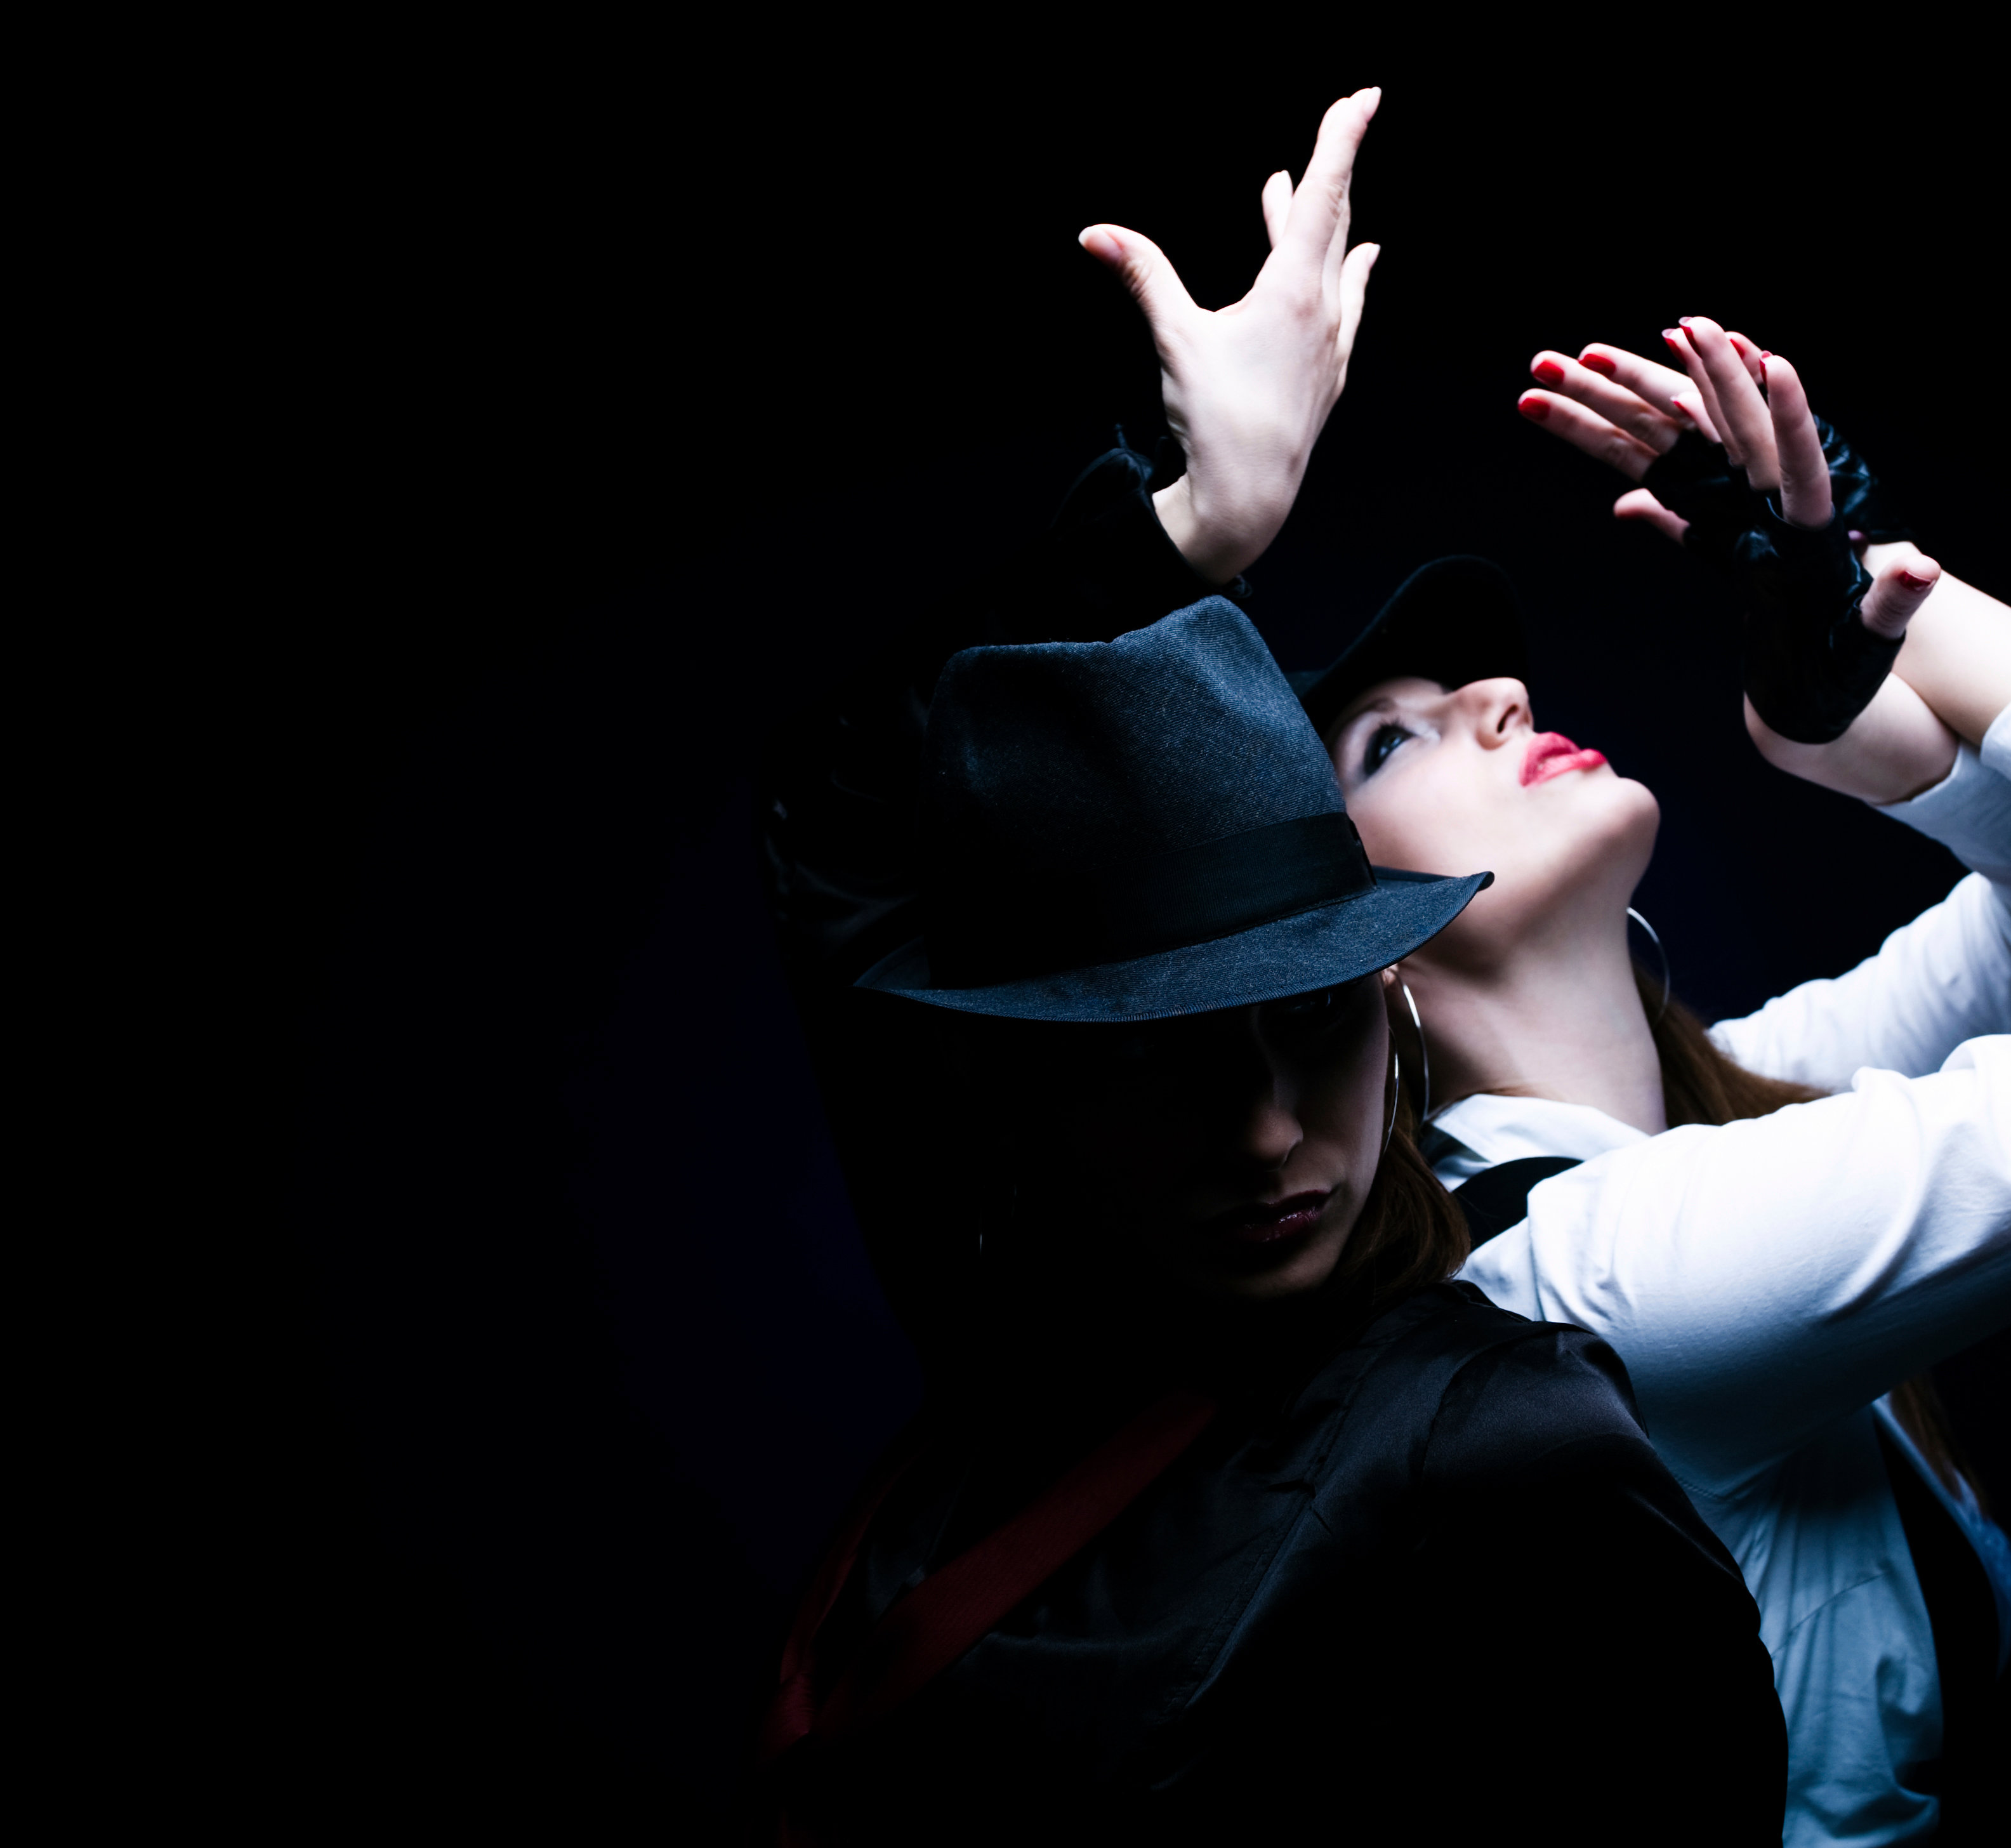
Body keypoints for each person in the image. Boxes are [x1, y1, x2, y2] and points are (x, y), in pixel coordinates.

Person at [1264, 322, 2011, 1843]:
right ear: (1351, 945)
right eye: (1390, 743)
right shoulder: (1613, 1274)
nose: (1499, 691)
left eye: (1464, 686)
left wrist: (1848, 714)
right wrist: (1905, 598)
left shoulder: (1714, 1109)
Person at [754, 92, 1786, 1841]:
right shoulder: (1022, 1280)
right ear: (1036, 1081)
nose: (1259, 1134)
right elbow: (837, 808)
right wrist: (1187, 526)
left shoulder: (1497, 1444)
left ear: (1389, 1004)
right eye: (1154, 1056)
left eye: (1306, 1026)